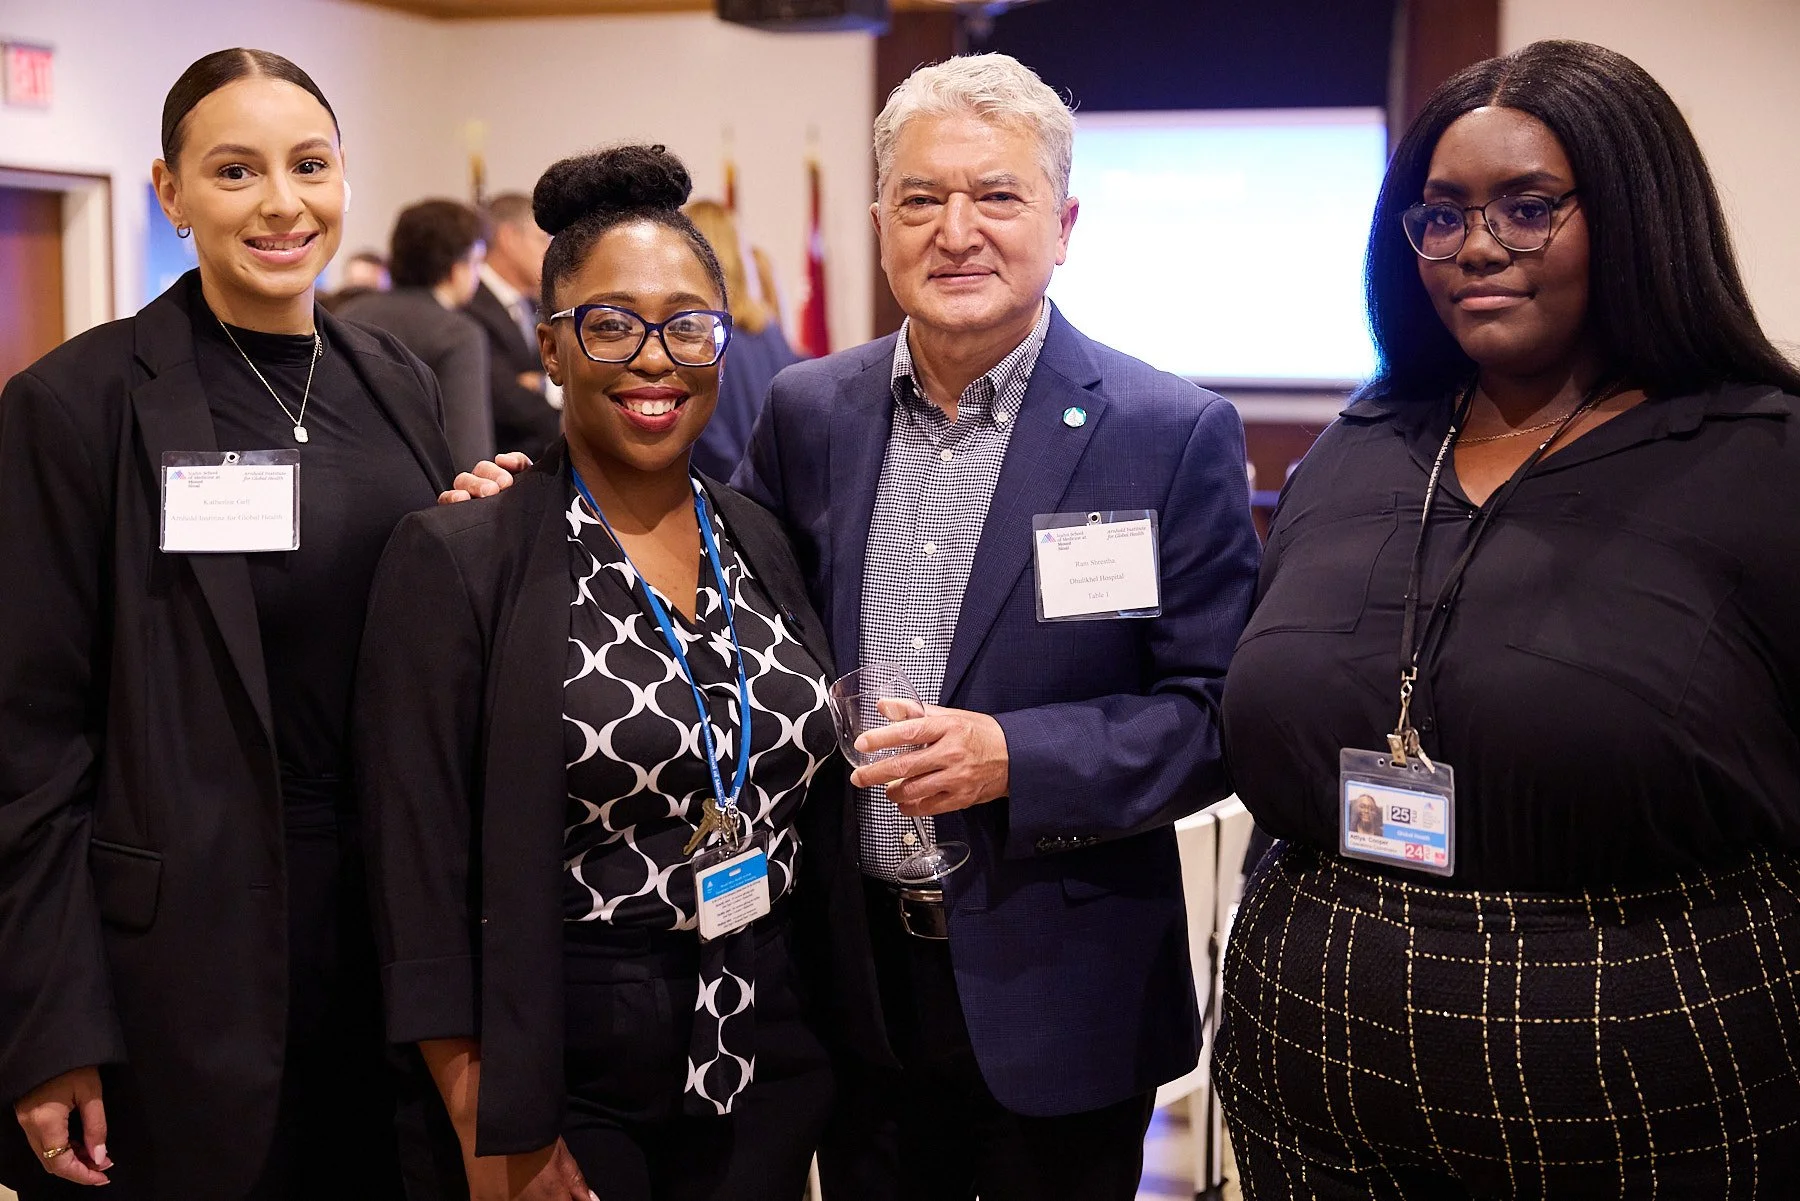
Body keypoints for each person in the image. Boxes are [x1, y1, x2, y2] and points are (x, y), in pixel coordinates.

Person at [1216, 39, 1800, 1199]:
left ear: (1635, 216)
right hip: (1315, 1089)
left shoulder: (1762, 457)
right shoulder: (1360, 445)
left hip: (1649, 1103)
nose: (1476, 247)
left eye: (1529, 209)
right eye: (1440, 215)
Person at [732, 53, 1261, 1200]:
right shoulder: (806, 412)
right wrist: (527, 513)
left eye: (997, 196)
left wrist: (1015, 757)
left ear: (1063, 224)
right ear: (880, 222)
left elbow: (1216, 713)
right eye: (921, 198)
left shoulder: (1171, 432)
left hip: (1064, 991)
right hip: (855, 986)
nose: (955, 231)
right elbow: (727, 606)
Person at [0, 46, 510, 1201]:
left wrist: (468, 546)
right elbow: (25, 750)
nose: (283, 203)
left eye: (310, 165)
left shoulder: (396, 383)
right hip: (177, 980)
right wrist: (45, 1022)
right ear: (170, 193)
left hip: (389, 948)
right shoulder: (73, 409)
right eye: (235, 171)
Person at [357, 144, 855, 1201]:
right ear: (552, 344)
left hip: (768, 1046)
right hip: (571, 1061)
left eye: (687, 322)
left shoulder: (760, 535)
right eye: (612, 322)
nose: (654, 356)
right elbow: (415, 863)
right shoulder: (463, 554)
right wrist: (486, 1110)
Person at [339, 199, 494, 465]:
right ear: (457, 268)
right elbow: (468, 456)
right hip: (427, 498)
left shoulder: (348, 314)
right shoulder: (457, 334)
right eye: (477, 262)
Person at [682, 200, 799, 481]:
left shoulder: (697, 338)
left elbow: (705, 435)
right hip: (770, 494)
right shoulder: (771, 332)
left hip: (723, 494)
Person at [468, 191, 563, 459]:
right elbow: (503, 396)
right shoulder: (470, 303)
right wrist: (572, 423)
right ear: (509, 238)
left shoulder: (533, 304)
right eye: (541, 239)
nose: (549, 251)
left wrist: (544, 385)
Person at [320, 249, 390, 313]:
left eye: (367, 284)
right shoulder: (334, 310)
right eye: (354, 283)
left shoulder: (392, 313)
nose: (359, 291)